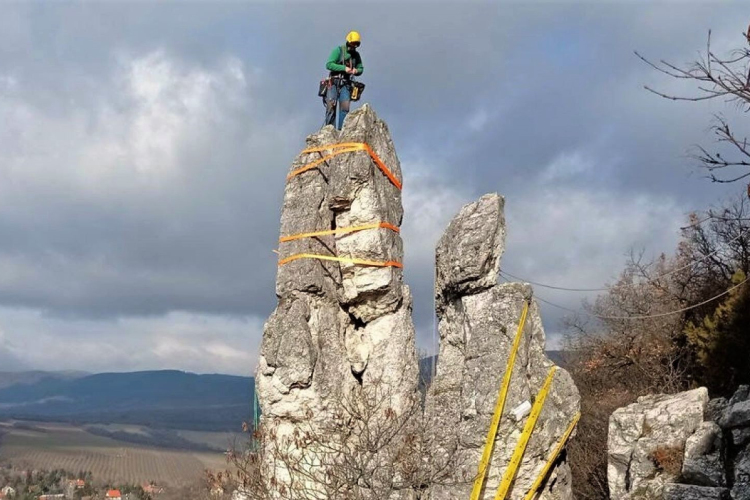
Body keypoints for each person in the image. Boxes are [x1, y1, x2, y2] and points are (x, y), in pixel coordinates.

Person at [324, 31, 364, 130]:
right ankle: (329, 130)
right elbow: (329, 64)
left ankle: (341, 131)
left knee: (345, 108)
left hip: (346, 83)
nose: (354, 46)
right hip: (333, 82)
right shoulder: (339, 50)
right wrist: (343, 68)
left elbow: (361, 68)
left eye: (356, 45)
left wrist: (356, 71)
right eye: (353, 44)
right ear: (348, 42)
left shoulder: (356, 55)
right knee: (331, 107)